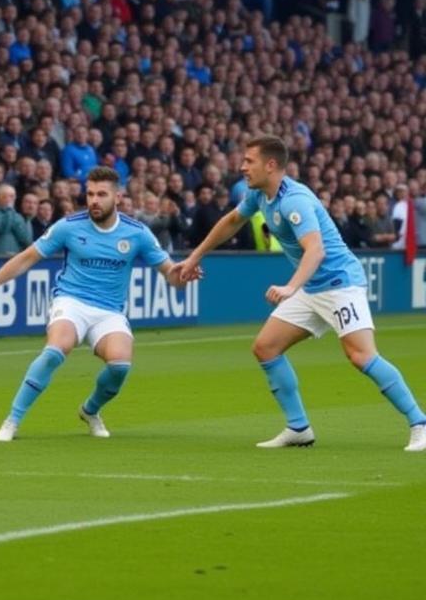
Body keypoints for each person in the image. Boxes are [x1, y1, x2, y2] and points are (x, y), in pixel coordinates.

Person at [174, 135, 426, 452]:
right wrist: (195, 256)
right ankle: (298, 428)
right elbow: (233, 220)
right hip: (311, 286)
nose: (242, 167)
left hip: (339, 284)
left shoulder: (295, 200)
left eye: (248, 161)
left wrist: (291, 287)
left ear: (271, 164)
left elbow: (316, 250)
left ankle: (420, 423)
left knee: (361, 356)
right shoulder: (261, 196)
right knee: (266, 347)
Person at [0, 166, 193, 442]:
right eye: (90, 194)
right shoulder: (69, 226)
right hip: (71, 301)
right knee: (55, 350)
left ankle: (90, 410)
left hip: (110, 311)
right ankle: (12, 421)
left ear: (118, 197)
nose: (94, 200)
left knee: (120, 365)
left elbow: (171, 274)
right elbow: (27, 257)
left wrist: (183, 276)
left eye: (101, 194)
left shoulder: (137, 233)